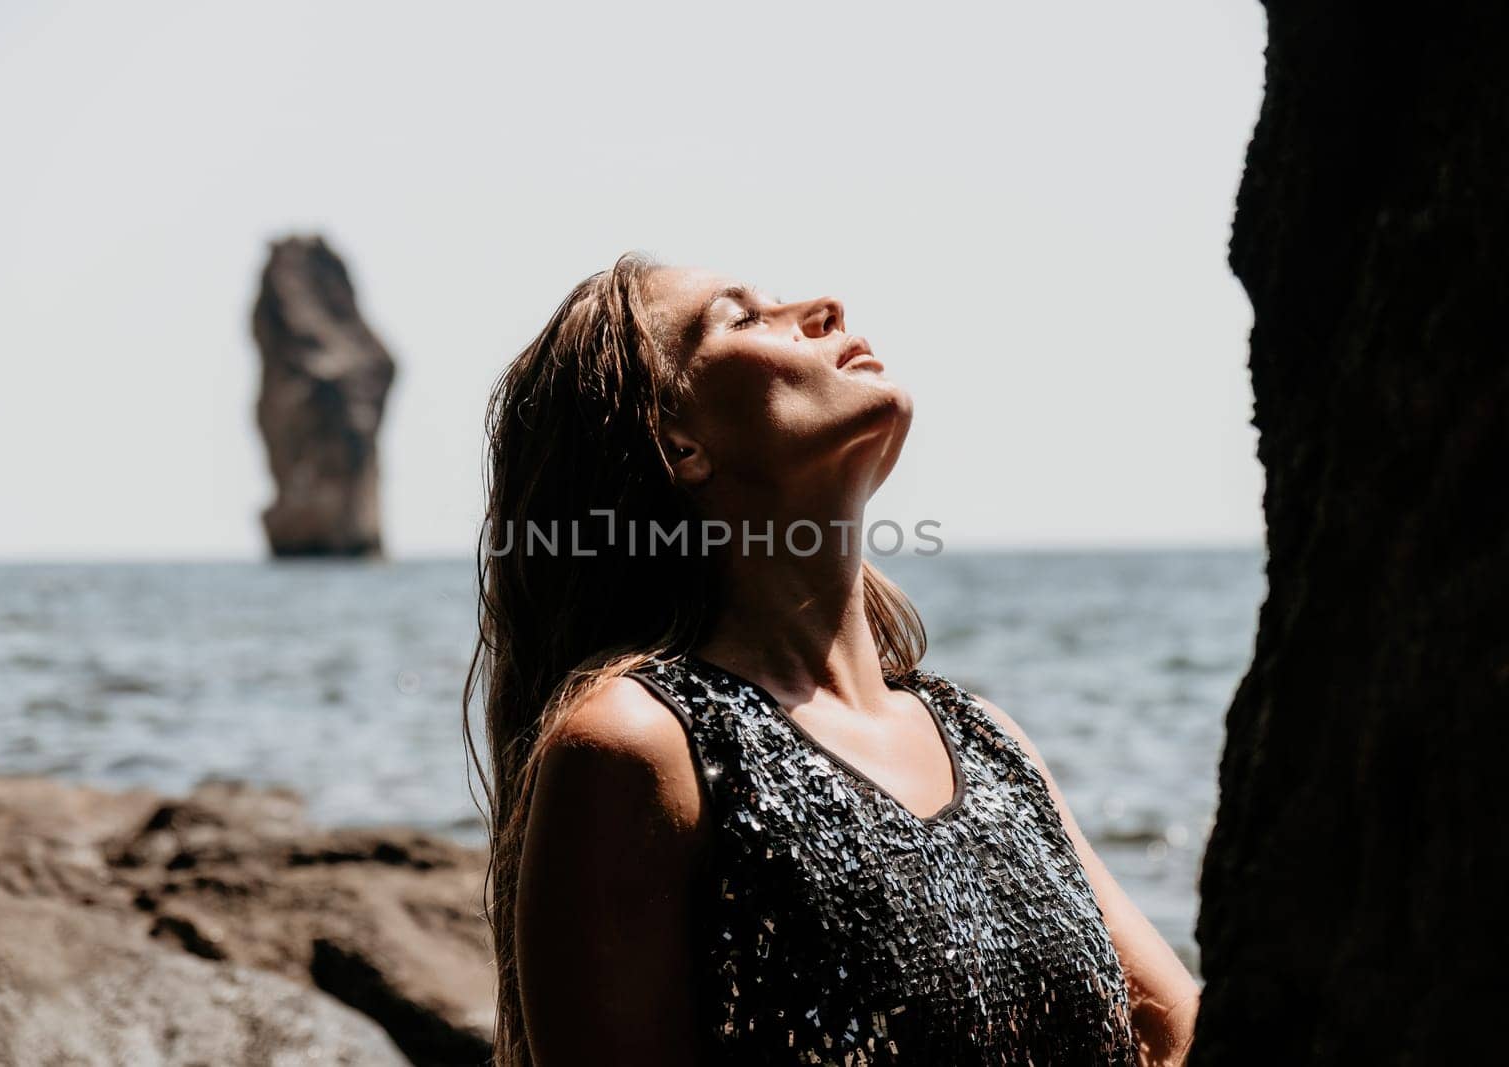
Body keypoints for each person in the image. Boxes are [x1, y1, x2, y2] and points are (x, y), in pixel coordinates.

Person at [463, 251, 1200, 1066]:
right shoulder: (638, 746)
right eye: (743, 318)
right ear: (678, 445)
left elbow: (1180, 1034)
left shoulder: (985, 737)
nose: (824, 307)